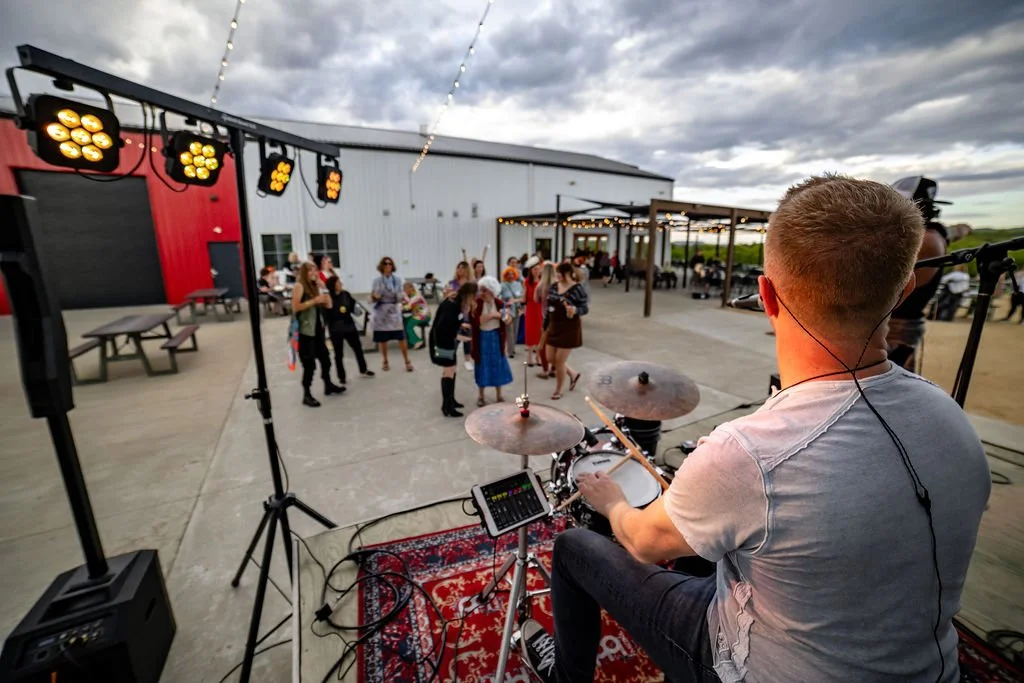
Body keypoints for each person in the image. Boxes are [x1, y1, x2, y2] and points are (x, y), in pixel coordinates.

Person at [519, 175, 990, 683]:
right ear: (902, 293)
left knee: (575, 548)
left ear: (765, 295)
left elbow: (642, 544)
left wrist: (611, 500)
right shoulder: (954, 421)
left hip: (758, 668)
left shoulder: (748, 455)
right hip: (933, 671)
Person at [291, 262, 345, 407]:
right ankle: (306, 395)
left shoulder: (315, 286)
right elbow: (295, 307)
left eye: (315, 270)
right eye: (310, 271)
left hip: (318, 331)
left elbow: (327, 305)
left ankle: (328, 385)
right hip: (305, 332)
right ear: (304, 273)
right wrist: (315, 301)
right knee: (309, 366)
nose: (314, 273)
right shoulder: (299, 286)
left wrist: (324, 296)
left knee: (326, 360)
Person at [429, 282, 476, 417]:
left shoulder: (456, 302)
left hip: (447, 340)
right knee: (448, 371)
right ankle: (447, 406)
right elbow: (442, 328)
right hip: (442, 341)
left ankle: (451, 400)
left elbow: (453, 321)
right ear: (469, 295)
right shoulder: (453, 305)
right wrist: (460, 336)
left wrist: (464, 325)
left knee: (452, 370)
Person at [543, 262, 587, 399]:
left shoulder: (577, 288)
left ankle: (558, 390)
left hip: (569, 328)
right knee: (550, 358)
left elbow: (585, 308)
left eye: (560, 274)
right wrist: (545, 324)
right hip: (554, 326)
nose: (557, 276)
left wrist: (575, 310)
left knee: (560, 361)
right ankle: (573, 374)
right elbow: (549, 307)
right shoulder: (554, 286)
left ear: (568, 273)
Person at [470, 276, 513, 406]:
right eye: (481, 290)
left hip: (496, 338)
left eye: (484, 290)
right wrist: (494, 315)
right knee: (482, 366)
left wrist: (507, 317)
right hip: (482, 339)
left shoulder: (499, 303)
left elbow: (507, 319)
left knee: (497, 366)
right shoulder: (477, 303)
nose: (481, 293)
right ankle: (481, 396)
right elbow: (477, 322)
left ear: (492, 291)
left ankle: (499, 395)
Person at [323, 275, 373, 383]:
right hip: (336, 330)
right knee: (339, 354)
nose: (341, 283)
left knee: (358, 349)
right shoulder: (327, 298)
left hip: (349, 326)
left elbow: (354, 307)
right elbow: (325, 317)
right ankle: (342, 377)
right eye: (338, 282)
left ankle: (363, 369)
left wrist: (359, 311)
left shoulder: (345, 294)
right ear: (332, 285)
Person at [369, 256, 413, 372]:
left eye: (390, 264)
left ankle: (407, 360)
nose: (388, 266)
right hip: (381, 310)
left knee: (400, 336)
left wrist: (399, 296)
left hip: (393, 310)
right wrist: (375, 296)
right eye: (385, 264)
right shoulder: (377, 281)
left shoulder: (397, 280)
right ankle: (385, 360)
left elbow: (399, 295)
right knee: (383, 338)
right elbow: (373, 295)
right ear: (381, 266)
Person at [535, 262, 557, 379]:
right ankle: (554, 368)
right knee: (554, 344)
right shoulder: (557, 285)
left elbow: (535, 300)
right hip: (556, 320)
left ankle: (545, 370)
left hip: (544, 318)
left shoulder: (540, 286)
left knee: (543, 345)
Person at [500, 262, 525, 359]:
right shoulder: (502, 285)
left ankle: (512, 347)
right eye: (508, 274)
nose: (510, 276)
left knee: (515, 330)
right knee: (508, 330)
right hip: (506, 309)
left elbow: (523, 297)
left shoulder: (518, 284)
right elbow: (498, 297)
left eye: (512, 274)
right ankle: (509, 350)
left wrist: (515, 300)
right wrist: (505, 301)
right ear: (505, 275)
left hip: (517, 309)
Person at [523, 257, 544, 368]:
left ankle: (538, 356)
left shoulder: (542, 282)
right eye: (534, 269)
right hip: (531, 308)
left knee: (540, 332)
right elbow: (524, 297)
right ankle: (529, 357)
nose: (536, 271)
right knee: (530, 331)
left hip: (540, 308)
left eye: (538, 269)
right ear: (531, 270)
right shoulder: (527, 281)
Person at [402, 280, 430, 349]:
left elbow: (409, 305)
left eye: (407, 288)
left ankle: (417, 341)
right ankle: (409, 342)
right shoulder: (411, 295)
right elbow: (406, 302)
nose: (405, 290)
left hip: (424, 316)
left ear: (412, 288)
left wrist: (400, 306)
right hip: (417, 315)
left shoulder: (417, 295)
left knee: (409, 325)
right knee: (404, 321)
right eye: (404, 289)